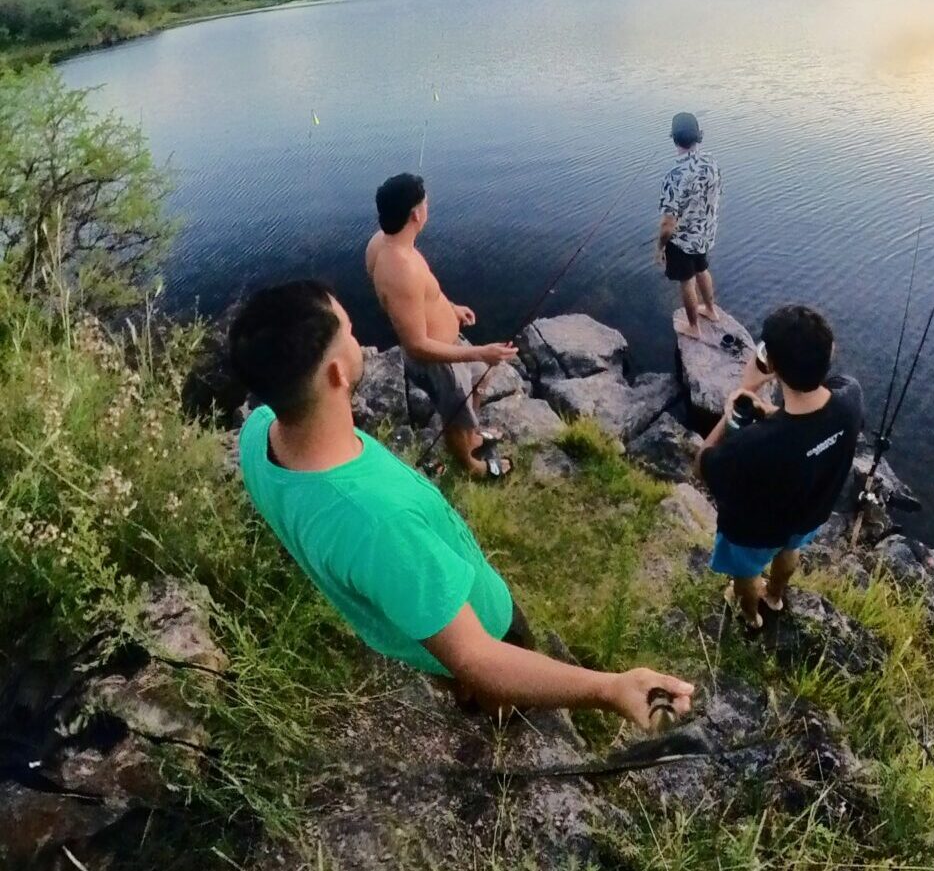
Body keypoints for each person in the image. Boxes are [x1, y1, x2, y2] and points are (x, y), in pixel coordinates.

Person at [230, 280, 694, 726]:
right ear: (335, 373)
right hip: (487, 628)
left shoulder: (257, 433)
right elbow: (475, 657)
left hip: (411, 619)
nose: (357, 339)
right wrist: (610, 690)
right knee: (489, 686)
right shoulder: (381, 524)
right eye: (349, 332)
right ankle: (502, 719)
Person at [696, 305, 864, 629]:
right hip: (809, 515)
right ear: (830, 352)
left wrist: (742, 396)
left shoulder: (752, 446)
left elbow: (702, 463)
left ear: (770, 365)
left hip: (754, 534)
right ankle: (774, 597)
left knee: (745, 574)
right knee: (791, 549)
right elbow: (808, 424)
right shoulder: (850, 397)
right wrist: (769, 412)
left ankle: (750, 615)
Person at [365, 172, 516, 480]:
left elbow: (424, 295)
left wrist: (451, 309)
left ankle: (473, 436)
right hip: (438, 362)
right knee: (456, 413)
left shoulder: (384, 242)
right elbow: (416, 345)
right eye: (425, 203)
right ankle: (471, 465)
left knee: (479, 379)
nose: (427, 207)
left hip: (449, 345)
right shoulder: (400, 269)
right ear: (416, 214)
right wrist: (480, 351)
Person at [656, 111, 722, 339]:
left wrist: (660, 248)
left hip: (683, 242)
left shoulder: (674, 175)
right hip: (705, 234)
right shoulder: (711, 161)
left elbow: (667, 225)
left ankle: (694, 327)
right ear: (698, 136)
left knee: (686, 281)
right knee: (703, 269)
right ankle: (711, 311)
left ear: (674, 138)